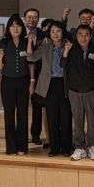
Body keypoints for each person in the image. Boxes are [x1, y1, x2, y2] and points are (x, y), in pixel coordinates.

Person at [27, 21, 72, 157]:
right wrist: (29, 42)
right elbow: (31, 57)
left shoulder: (69, 46)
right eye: (52, 31)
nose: (55, 34)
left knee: (66, 117)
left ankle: (66, 148)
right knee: (52, 117)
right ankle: (54, 147)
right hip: (49, 84)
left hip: (65, 84)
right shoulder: (45, 46)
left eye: (58, 31)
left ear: (62, 32)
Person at [61, 25, 94, 161]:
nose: (83, 37)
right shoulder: (71, 49)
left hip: (91, 90)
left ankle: (92, 146)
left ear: (91, 36)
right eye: (80, 34)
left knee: (92, 121)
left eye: (86, 34)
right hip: (74, 91)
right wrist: (66, 52)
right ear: (76, 36)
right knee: (77, 121)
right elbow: (62, 65)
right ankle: (79, 147)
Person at [0, 14, 31, 155]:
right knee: (9, 114)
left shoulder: (26, 42)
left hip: (23, 81)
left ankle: (22, 147)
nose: (15, 29)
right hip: (8, 82)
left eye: (18, 26)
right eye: (13, 26)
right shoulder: (2, 43)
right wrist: (0, 57)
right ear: (8, 28)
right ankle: (11, 147)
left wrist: (29, 42)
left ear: (22, 28)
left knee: (22, 113)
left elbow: (30, 60)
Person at [23, 8, 45, 146]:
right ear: (24, 18)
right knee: (21, 106)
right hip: (21, 74)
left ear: (38, 19)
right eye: (29, 17)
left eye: (35, 17)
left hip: (39, 74)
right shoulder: (18, 33)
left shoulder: (43, 34)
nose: (32, 20)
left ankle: (35, 135)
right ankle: (21, 136)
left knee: (37, 107)